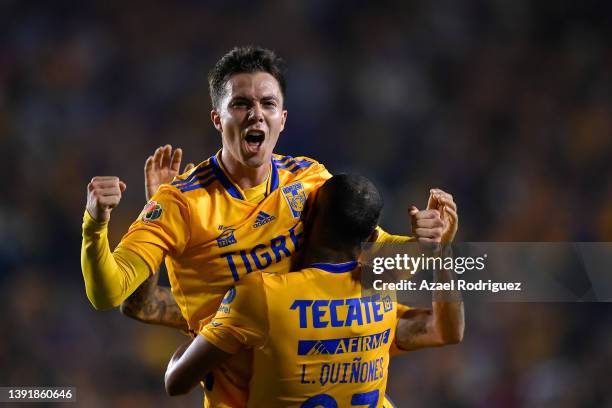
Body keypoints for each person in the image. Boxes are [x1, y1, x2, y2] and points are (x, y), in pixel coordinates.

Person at [81, 46, 458, 407]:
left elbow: (375, 252)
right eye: (241, 103)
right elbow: (110, 294)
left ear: (283, 118)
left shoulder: (309, 179)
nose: (256, 114)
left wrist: (429, 240)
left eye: (268, 104)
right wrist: (96, 224)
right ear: (218, 118)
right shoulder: (181, 204)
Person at [164, 174, 464, 407]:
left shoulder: (261, 295)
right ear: (372, 237)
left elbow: (176, 381)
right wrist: (441, 252)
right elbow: (447, 331)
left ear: (306, 220)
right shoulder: (380, 294)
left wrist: (204, 325)